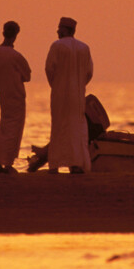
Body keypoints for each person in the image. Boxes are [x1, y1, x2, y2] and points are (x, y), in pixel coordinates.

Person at [45, 17, 93, 174]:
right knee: (76, 128)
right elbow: (89, 73)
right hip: (78, 96)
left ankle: (55, 165)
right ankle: (76, 163)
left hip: (60, 95)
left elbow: (49, 69)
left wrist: (57, 86)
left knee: (59, 127)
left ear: (66, 29)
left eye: (60, 28)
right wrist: (79, 87)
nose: (57, 31)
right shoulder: (84, 48)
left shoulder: (57, 46)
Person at [0, 21, 31, 174]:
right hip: (16, 96)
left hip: (3, 95)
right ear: (16, 35)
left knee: (4, 127)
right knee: (14, 130)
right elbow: (27, 76)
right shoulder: (16, 56)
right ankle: (6, 163)